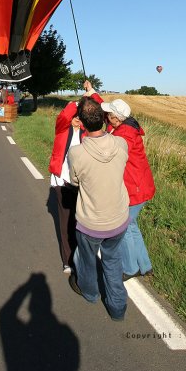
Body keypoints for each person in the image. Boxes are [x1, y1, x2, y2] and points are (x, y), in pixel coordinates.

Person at [67, 97, 129, 321]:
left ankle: (91, 293)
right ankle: (118, 307)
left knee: (87, 259)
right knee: (113, 261)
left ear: (81, 123)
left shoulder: (77, 154)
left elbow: (74, 182)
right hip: (119, 218)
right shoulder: (122, 144)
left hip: (90, 223)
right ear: (104, 119)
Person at [48, 81, 102, 274]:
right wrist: (75, 104)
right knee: (65, 222)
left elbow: (99, 110)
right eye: (76, 116)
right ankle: (68, 260)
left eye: (81, 116)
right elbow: (63, 116)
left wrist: (91, 93)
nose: (78, 119)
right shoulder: (63, 128)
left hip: (83, 183)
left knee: (81, 223)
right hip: (62, 181)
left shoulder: (89, 132)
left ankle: (83, 258)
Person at [101, 98, 155, 279]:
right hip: (141, 186)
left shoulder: (123, 136)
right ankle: (145, 266)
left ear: (116, 118)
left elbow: (109, 155)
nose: (106, 118)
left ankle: (130, 268)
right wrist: (92, 92)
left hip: (134, 189)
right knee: (131, 226)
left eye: (109, 115)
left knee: (121, 228)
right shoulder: (128, 128)